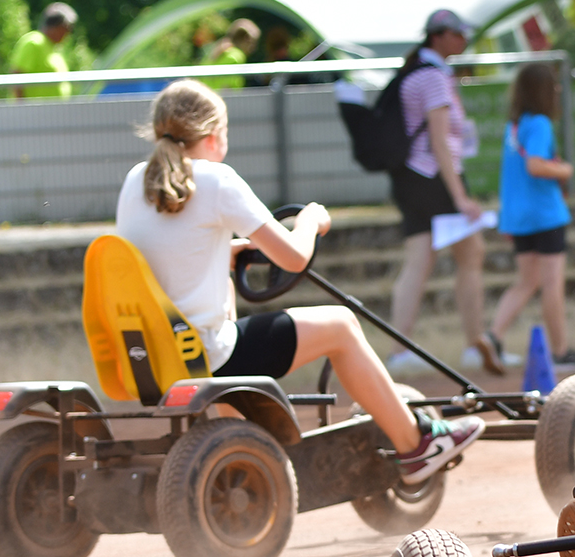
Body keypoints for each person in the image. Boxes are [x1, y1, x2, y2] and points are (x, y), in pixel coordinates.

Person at [115, 80, 484, 484]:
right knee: (341, 326)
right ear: (215, 134)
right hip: (207, 354)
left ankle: (239, 455)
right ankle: (416, 446)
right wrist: (310, 221)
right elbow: (293, 256)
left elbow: (167, 254)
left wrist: (224, 253)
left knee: (248, 326)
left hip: (154, 354)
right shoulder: (219, 180)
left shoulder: (137, 180)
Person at [385, 10, 501, 375]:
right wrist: (460, 196)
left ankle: (402, 350)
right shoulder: (433, 78)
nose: (463, 40)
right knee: (466, 254)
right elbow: (439, 140)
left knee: (422, 257)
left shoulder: (420, 72)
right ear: (439, 36)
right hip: (435, 177)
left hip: (415, 177)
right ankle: (471, 345)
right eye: (456, 34)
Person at [489, 64, 575, 369]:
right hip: (545, 214)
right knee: (552, 284)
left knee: (527, 281)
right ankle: (560, 350)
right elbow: (537, 165)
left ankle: (493, 337)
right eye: (552, 86)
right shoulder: (540, 123)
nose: (556, 91)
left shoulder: (514, 125)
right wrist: (565, 170)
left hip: (518, 216)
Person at [10, 2, 77, 99]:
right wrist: (22, 109)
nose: (68, 33)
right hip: (34, 112)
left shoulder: (54, 48)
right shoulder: (34, 42)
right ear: (56, 26)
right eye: (66, 28)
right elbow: (16, 75)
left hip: (53, 111)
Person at [200, 19, 260, 92]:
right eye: (253, 43)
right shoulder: (236, 56)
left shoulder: (218, 50)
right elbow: (228, 87)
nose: (254, 48)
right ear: (246, 39)